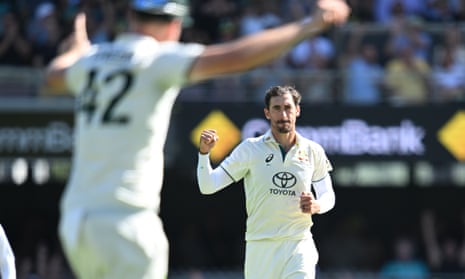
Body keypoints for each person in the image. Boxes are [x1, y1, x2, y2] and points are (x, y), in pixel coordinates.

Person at [44, 0, 350, 278]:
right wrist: (309, 25)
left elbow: (53, 77)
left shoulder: (92, 59)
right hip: (127, 222)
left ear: (130, 16)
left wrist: (76, 49)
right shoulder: (156, 57)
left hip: (75, 221)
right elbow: (236, 57)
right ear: (174, 25)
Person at [197, 85, 336, 279]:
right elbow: (208, 186)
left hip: (298, 243)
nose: (283, 114)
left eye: (288, 107)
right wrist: (204, 154)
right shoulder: (250, 149)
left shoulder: (313, 150)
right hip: (260, 245)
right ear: (267, 113)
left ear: (297, 110)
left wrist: (316, 205)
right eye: (276, 108)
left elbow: (328, 195)